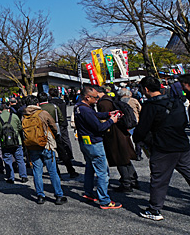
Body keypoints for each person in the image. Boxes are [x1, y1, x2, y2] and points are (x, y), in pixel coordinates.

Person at [133, 76, 190, 221]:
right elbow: (184, 122)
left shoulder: (150, 106)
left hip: (163, 147)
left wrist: (138, 139)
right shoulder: (176, 101)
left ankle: (155, 210)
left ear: (145, 89)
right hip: (182, 144)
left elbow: (142, 129)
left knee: (159, 180)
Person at [74, 86, 121, 209]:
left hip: (85, 142)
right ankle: (104, 200)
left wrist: (108, 114)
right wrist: (112, 120)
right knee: (103, 172)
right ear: (87, 97)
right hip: (94, 143)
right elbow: (99, 127)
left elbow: (94, 115)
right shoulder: (86, 110)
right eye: (95, 98)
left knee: (90, 168)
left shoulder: (78, 107)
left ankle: (88, 193)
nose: (97, 100)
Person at [22, 98, 66, 205]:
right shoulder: (42, 113)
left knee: (37, 172)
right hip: (46, 144)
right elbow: (54, 127)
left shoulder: (24, 116)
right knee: (52, 171)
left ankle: (40, 196)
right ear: (37, 104)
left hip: (32, 146)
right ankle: (58, 195)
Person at [96, 86, 138, 193]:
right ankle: (133, 179)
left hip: (114, 134)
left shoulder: (103, 103)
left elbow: (104, 121)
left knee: (119, 158)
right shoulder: (110, 99)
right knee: (125, 157)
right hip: (122, 131)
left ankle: (126, 183)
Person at [0, 104, 28, 184]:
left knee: (8, 160)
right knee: (20, 159)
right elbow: (20, 127)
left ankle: (11, 177)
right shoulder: (14, 116)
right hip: (16, 141)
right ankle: (23, 176)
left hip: (5, 142)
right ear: (8, 109)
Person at [47, 88, 78, 178]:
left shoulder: (51, 104)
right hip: (63, 122)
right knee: (66, 139)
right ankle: (70, 154)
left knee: (58, 142)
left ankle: (62, 156)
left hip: (56, 124)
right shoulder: (63, 102)